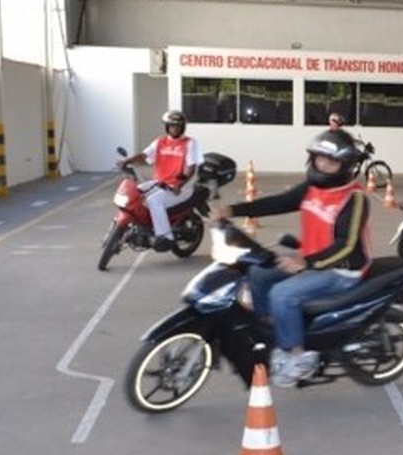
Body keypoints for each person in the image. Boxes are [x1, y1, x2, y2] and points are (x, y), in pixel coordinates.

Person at [218, 129, 372, 387]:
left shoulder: (354, 198)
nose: (322, 164)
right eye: (319, 158)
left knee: (282, 294)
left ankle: (297, 357)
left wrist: (304, 263)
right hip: (311, 259)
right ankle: (275, 330)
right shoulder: (313, 187)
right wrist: (232, 210)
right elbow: (279, 203)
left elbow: (347, 246)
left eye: (331, 161)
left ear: (345, 166)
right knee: (258, 273)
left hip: (342, 270)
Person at [116, 109, 203, 252]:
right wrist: (127, 161)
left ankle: (166, 237)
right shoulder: (160, 141)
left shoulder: (190, 143)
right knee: (135, 193)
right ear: (167, 126)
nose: (174, 128)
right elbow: (144, 156)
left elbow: (191, 168)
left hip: (182, 188)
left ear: (182, 127)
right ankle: (141, 225)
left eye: (177, 126)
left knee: (154, 200)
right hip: (160, 183)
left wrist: (180, 184)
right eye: (171, 125)